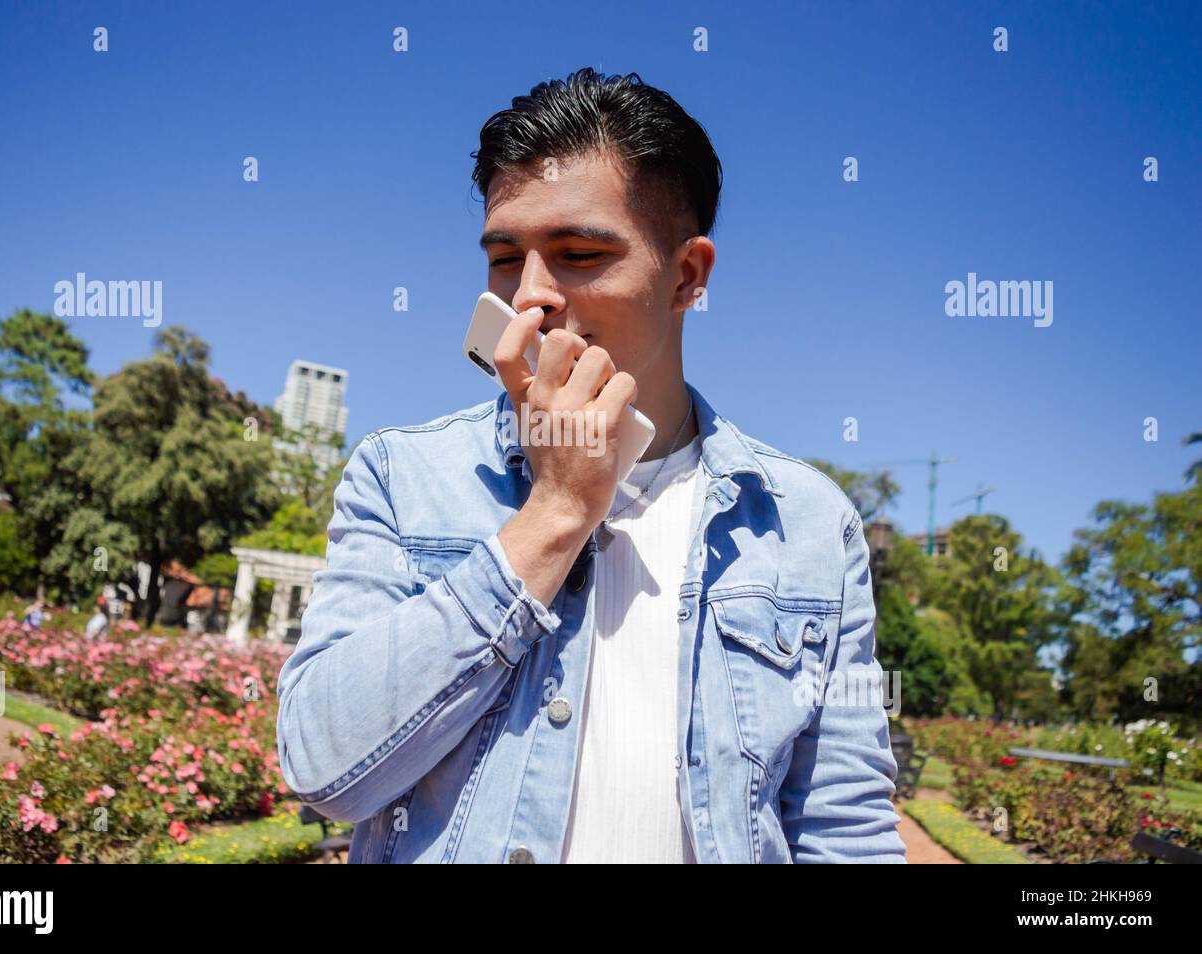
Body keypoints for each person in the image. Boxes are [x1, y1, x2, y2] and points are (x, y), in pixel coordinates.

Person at [276, 67, 906, 863]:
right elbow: (323, 767)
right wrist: (556, 513)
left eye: (577, 253)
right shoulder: (400, 477)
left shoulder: (808, 522)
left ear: (686, 277)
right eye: (506, 258)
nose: (531, 295)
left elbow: (842, 829)